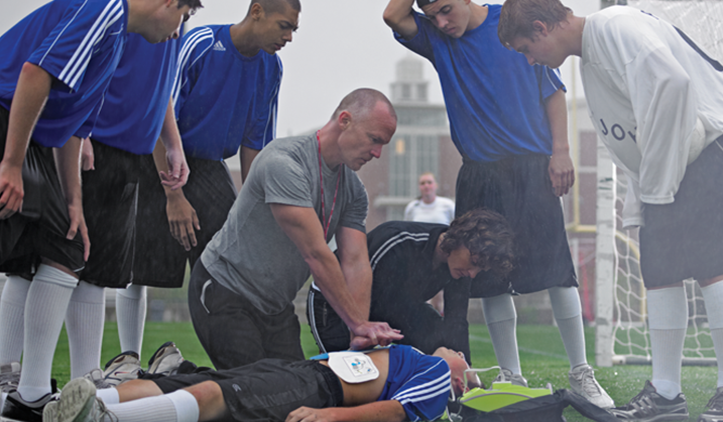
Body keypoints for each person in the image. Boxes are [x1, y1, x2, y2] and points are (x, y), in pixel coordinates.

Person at [497, 1, 723, 421]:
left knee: (714, 269)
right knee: (660, 272)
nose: (530, 59)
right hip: (672, 169)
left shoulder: (617, 27)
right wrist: (644, 198)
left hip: (706, 150)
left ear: (543, 28)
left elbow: (672, 85)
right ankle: (666, 394)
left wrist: (658, 184)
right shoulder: (590, 59)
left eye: (526, 48)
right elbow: (634, 136)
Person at [383, 0, 613, 408]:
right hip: (479, 173)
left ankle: (582, 373)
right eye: (432, 13)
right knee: (485, 277)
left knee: (559, 273)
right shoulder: (438, 39)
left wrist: (561, 150)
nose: (440, 21)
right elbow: (393, 16)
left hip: (532, 169)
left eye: (446, 9)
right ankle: (512, 376)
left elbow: (553, 91)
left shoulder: (511, 25)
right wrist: (432, 13)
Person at [0, 0, 201, 419]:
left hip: (39, 138)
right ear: (168, 3)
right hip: (10, 118)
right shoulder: (105, 9)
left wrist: (74, 202)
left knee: (68, 245)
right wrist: (12, 164)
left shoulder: (112, 41)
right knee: (38, 256)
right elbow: (33, 73)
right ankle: (19, 383)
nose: (179, 31)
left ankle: (31, 394)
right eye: (183, 16)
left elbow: (73, 126)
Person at [188, 88, 403, 370]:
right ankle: (169, 380)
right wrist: (359, 322)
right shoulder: (284, 163)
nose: (377, 153)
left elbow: (356, 262)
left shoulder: (353, 190)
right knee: (250, 397)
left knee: (297, 395)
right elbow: (315, 253)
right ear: (345, 120)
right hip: (224, 289)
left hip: (275, 307)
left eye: (383, 145)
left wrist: (356, 332)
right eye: (374, 140)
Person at [130, 0, 301, 324]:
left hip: (210, 166)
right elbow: (156, 116)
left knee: (224, 266)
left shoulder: (272, 67)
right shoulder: (201, 44)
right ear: (257, 11)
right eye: (285, 26)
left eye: (294, 29)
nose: (289, 37)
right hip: (158, 156)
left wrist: (255, 213)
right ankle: (129, 358)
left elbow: (255, 145)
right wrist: (174, 196)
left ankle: (229, 359)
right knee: (140, 267)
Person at [63, 32, 188, 381]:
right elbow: (81, 70)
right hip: (93, 142)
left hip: (130, 150)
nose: (183, 22)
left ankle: (86, 379)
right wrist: (80, 132)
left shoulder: (171, 28)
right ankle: (30, 383)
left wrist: (172, 143)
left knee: (99, 269)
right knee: (56, 264)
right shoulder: (117, 17)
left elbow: (159, 88)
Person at [44, 344, 475, 422]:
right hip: (302, 372)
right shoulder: (415, 356)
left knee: (217, 396)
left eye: (463, 360)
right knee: (192, 382)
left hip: (320, 389)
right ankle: (88, 402)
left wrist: (331, 415)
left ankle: (107, 418)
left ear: (460, 380)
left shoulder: (438, 378)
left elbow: (399, 411)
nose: (456, 350)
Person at [309, 208, 514, 363]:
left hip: (393, 309)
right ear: (460, 239)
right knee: (348, 372)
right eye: (474, 263)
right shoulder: (398, 241)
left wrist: (464, 369)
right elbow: (365, 297)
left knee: (439, 335)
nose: (472, 273)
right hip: (335, 303)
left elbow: (456, 322)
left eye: (480, 270)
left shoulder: (460, 268)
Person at [404, 172, 456, 314]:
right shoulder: (412, 208)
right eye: (422, 183)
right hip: (420, 257)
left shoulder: (447, 205)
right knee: (420, 294)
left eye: (429, 182)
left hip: (442, 256)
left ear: (435, 186)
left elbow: (456, 228)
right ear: (419, 187)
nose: (426, 186)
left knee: (439, 298)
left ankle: (442, 326)